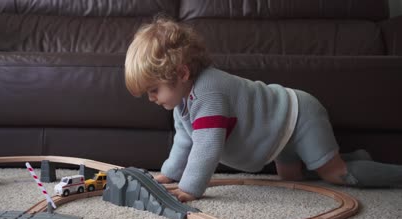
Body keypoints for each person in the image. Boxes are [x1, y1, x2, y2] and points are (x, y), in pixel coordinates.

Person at [124, 17, 402, 202]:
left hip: (300, 115)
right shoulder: (183, 104)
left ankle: (390, 172)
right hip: (280, 132)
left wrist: (189, 188)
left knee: (336, 175)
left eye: (154, 90)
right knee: (291, 179)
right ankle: (355, 157)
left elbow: (207, 147)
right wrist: (169, 173)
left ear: (182, 73)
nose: (151, 98)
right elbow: (186, 139)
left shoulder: (208, 91)